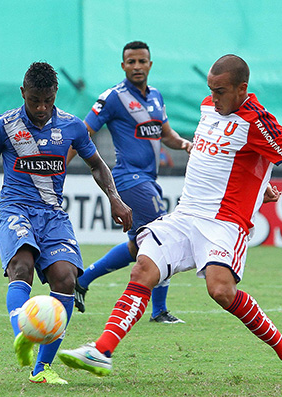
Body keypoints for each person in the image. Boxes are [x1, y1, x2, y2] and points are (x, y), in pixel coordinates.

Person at [58, 54, 282, 385]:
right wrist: (258, 187)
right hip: (186, 215)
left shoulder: (258, 121)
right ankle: (102, 350)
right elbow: (227, 161)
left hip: (225, 223)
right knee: (144, 268)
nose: (213, 98)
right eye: (211, 90)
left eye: (221, 91)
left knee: (221, 291)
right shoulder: (207, 107)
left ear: (242, 89)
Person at [0, 62, 132, 385]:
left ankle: (41, 369)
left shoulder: (72, 127)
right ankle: (23, 335)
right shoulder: (3, 127)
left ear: (56, 95)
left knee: (66, 279)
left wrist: (115, 198)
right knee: (22, 266)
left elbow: (97, 165)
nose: (41, 109)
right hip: (15, 207)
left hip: (53, 213)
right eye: (34, 101)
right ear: (23, 94)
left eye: (47, 101)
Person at [69, 41, 192, 323]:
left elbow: (167, 136)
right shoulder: (113, 98)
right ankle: (159, 311)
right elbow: (83, 132)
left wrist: (185, 144)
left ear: (150, 64)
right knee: (162, 238)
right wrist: (59, 164)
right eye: (131, 62)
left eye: (142, 61)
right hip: (128, 178)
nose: (137, 66)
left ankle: (83, 280)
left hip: (148, 179)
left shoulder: (156, 97)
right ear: (123, 66)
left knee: (138, 246)